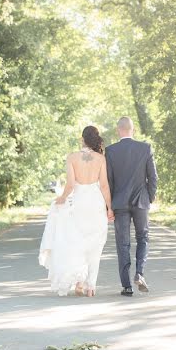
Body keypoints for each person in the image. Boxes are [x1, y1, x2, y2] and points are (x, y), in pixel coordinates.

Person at [39, 126, 114, 297]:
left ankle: (79, 282)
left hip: (80, 202)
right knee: (96, 245)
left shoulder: (72, 158)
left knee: (79, 242)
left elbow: (71, 185)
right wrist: (109, 207)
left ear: (82, 139)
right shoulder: (100, 159)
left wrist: (62, 198)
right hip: (96, 203)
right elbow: (104, 185)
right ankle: (91, 286)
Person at [105, 117, 158, 297]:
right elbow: (153, 178)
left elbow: (109, 181)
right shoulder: (145, 148)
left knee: (123, 243)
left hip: (119, 203)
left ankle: (126, 286)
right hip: (141, 201)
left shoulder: (111, 151)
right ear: (132, 129)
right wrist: (148, 198)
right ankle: (139, 273)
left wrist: (108, 206)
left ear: (118, 130)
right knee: (143, 237)